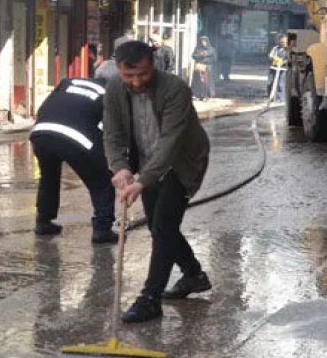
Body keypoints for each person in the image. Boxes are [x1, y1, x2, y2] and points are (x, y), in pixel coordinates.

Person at [102, 40, 212, 323]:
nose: (136, 81)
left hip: (182, 161)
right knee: (158, 226)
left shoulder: (175, 88)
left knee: (163, 225)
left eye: (143, 74)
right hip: (147, 160)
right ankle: (193, 275)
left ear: (154, 65)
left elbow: (170, 142)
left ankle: (150, 298)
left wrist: (142, 182)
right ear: (119, 70)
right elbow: (112, 134)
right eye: (129, 75)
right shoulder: (114, 88)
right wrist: (121, 168)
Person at [30, 76, 119, 244]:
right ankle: (102, 229)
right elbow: (112, 128)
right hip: (76, 138)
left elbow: (43, 108)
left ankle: (43, 221)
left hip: (41, 133)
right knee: (101, 181)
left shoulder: (67, 82)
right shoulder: (110, 92)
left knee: (49, 178)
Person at [191, 36, 217, 100]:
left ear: (207, 42)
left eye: (205, 41)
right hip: (199, 67)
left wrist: (206, 60)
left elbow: (214, 59)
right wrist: (200, 55)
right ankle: (197, 94)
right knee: (198, 81)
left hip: (208, 68)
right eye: (202, 41)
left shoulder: (211, 49)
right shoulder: (197, 48)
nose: (203, 43)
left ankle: (207, 95)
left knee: (207, 82)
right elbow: (194, 55)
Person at [267, 34, 291, 102]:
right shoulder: (275, 48)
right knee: (270, 82)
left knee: (281, 84)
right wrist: (274, 58)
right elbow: (270, 55)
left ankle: (280, 98)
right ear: (279, 41)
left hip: (283, 69)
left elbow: (289, 59)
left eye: (284, 42)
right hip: (273, 68)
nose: (283, 44)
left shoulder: (288, 50)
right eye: (281, 42)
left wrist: (284, 62)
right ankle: (270, 97)